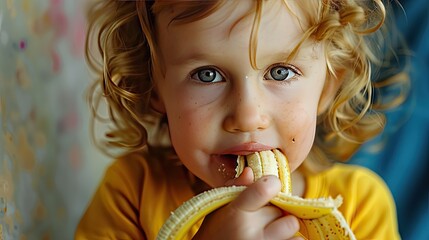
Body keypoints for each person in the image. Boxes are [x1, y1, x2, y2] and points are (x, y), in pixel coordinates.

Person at [76, 0, 407, 239]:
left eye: (280, 72)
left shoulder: (361, 207)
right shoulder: (132, 193)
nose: (248, 116)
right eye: (207, 75)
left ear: (327, 88)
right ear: (155, 88)